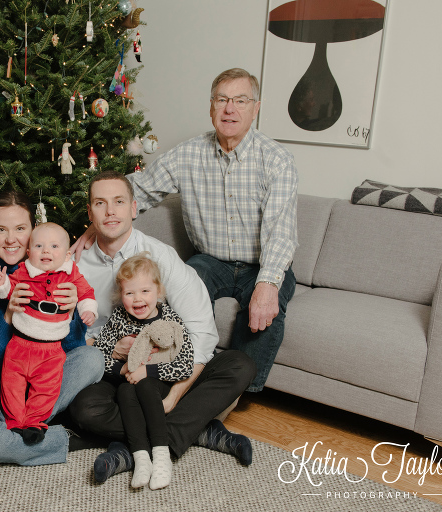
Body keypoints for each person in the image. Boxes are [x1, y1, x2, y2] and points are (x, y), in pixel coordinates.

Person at [79, 68, 299, 393]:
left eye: (240, 100)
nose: (230, 109)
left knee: (265, 310)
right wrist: (99, 225)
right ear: (211, 107)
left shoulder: (277, 160)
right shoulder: (187, 154)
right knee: (172, 293)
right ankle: (168, 373)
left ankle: (231, 391)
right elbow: (136, 190)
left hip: (261, 264)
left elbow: (281, 233)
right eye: (222, 100)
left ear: (256, 107)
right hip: (210, 261)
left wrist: (267, 286)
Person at [69, 171, 256, 483]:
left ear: (133, 207)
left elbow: (202, 335)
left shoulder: (162, 258)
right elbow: (72, 335)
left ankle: (132, 448)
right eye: (100, 204)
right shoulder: (75, 263)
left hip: (167, 372)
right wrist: (111, 348)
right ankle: (197, 430)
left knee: (239, 365)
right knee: (85, 410)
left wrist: (175, 397)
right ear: (90, 213)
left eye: (119, 202)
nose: (110, 211)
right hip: (115, 372)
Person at [0, 190, 104, 471]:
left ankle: (18, 433)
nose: (11, 239)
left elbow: (70, 349)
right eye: (0, 230)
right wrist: (9, 313)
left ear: (33, 231)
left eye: (20, 229)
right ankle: (64, 437)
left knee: (93, 359)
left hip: (43, 376)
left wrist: (69, 315)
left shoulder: (60, 272)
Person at [0, 222, 98, 444]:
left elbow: (86, 292)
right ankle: (15, 423)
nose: (46, 251)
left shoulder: (71, 274)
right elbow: (7, 290)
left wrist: (87, 310)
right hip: (19, 345)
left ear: (67, 254)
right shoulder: (23, 270)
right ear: (29, 253)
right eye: (39, 245)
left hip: (51, 350)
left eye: (54, 246)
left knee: (47, 389)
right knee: (12, 386)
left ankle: (34, 423)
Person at [93, 253, 194, 490]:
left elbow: (186, 363)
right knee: (126, 392)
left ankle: (161, 456)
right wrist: (123, 369)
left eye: (145, 291)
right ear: (121, 296)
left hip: (158, 383)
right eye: (130, 293)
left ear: (158, 292)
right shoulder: (119, 318)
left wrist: (147, 371)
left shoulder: (170, 319)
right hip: (127, 382)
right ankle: (141, 458)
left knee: (144, 385)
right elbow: (98, 353)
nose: (138, 299)